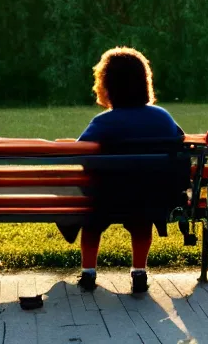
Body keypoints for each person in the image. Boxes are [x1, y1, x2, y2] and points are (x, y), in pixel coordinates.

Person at [58, 47, 185, 294]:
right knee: (141, 224)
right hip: (149, 198)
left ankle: (88, 273)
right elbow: (179, 141)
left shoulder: (104, 121)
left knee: (91, 224)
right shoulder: (162, 117)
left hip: (105, 198)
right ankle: (139, 272)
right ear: (144, 83)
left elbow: (79, 152)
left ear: (107, 86)